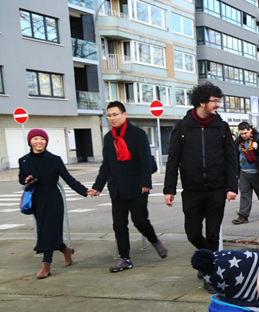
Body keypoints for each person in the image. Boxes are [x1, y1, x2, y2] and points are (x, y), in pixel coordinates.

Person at [88, 102, 167, 272]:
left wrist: (146, 182)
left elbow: (146, 160)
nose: (112, 118)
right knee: (119, 224)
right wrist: (97, 186)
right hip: (117, 188)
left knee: (139, 221)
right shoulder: (109, 138)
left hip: (137, 186)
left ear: (125, 115)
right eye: (109, 115)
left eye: (115, 114)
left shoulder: (138, 134)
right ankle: (125, 258)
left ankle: (155, 241)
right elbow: (106, 165)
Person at [164, 82, 238, 257]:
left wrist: (232, 187)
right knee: (193, 234)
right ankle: (209, 257)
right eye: (214, 101)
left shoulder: (222, 127)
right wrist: (169, 189)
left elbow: (231, 159)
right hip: (192, 191)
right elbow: (173, 160)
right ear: (202, 102)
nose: (218, 104)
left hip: (216, 191)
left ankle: (209, 270)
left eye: (218, 100)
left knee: (213, 235)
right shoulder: (183, 127)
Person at [19, 128, 91, 278]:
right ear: (30, 141)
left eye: (42, 139)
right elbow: (21, 178)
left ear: (46, 141)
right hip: (37, 200)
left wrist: (84, 191)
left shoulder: (54, 159)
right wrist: (25, 180)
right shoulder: (24, 160)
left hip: (53, 199)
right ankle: (66, 250)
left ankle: (46, 265)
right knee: (46, 231)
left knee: (48, 231)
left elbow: (68, 178)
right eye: (35, 139)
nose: (39, 141)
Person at [232, 122, 259, 225]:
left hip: (257, 172)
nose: (243, 135)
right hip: (244, 172)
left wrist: (257, 148)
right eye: (241, 133)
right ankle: (243, 216)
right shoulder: (238, 141)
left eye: (245, 133)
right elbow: (235, 155)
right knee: (245, 194)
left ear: (250, 130)